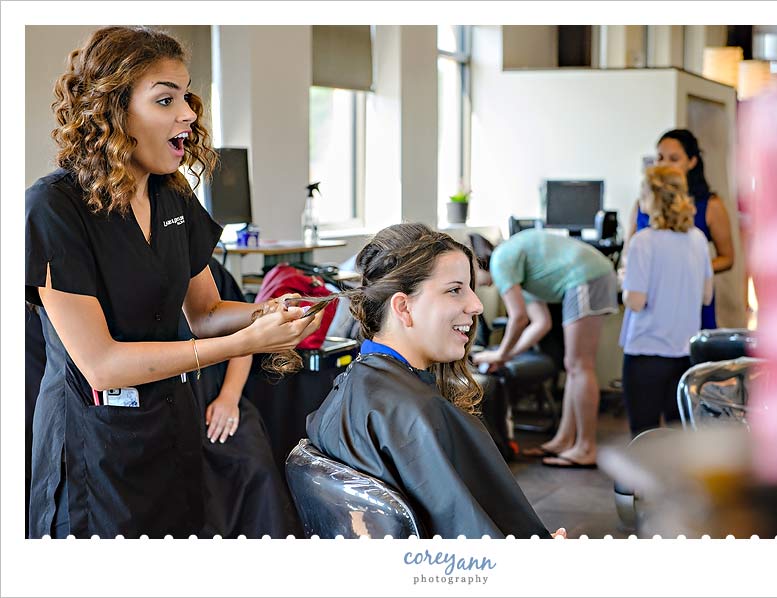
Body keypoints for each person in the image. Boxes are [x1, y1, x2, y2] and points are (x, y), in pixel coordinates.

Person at [24, 26, 324, 538]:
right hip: (95, 445)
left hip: (172, 429)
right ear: (112, 110)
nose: (187, 113)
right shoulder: (54, 207)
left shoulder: (172, 196)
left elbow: (203, 313)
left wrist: (269, 312)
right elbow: (101, 366)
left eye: (185, 96)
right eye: (165, 99)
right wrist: (244, 342)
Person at [307, 223, 561, 539]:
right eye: (455, 289)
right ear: (403, 307)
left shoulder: (350, 386)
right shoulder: (419, 414)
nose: (476, 305)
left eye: (470, 288)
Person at [472, 229, 617, 469]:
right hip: (591, 274)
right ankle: (564, 440)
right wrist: (508, 355)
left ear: (479, 262)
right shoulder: (518, 269)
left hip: (587, 277)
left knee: (580, 366)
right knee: (574, 366)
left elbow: (518, 319)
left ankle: (586, 447)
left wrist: (501, 354)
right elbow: (540, 324)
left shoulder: (500, 261)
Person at [179, 259, 302, 538]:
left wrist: (229, 397)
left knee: (256, 467)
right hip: (174, 404)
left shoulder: (209, 273)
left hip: (219, 392)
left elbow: (245, 341)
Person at [619, 166, 714, 437]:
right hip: (685, 354)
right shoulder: (698, 239)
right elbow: (706, 296)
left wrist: (625, 279)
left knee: (644, 436)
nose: (640, 198)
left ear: (655, 196)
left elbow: (635, 302)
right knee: (678, 435)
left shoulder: (643, 242)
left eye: (643, 192)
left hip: (647, 352)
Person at [625, 129, 734, 330]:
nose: (665, 165)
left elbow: (727, 258)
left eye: (673, 159)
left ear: (691, 162)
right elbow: (628, 254)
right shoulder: (642, 206)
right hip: (649, 307)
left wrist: (687, 268)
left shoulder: (710, 206)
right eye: (660, 158)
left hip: (690, 300)